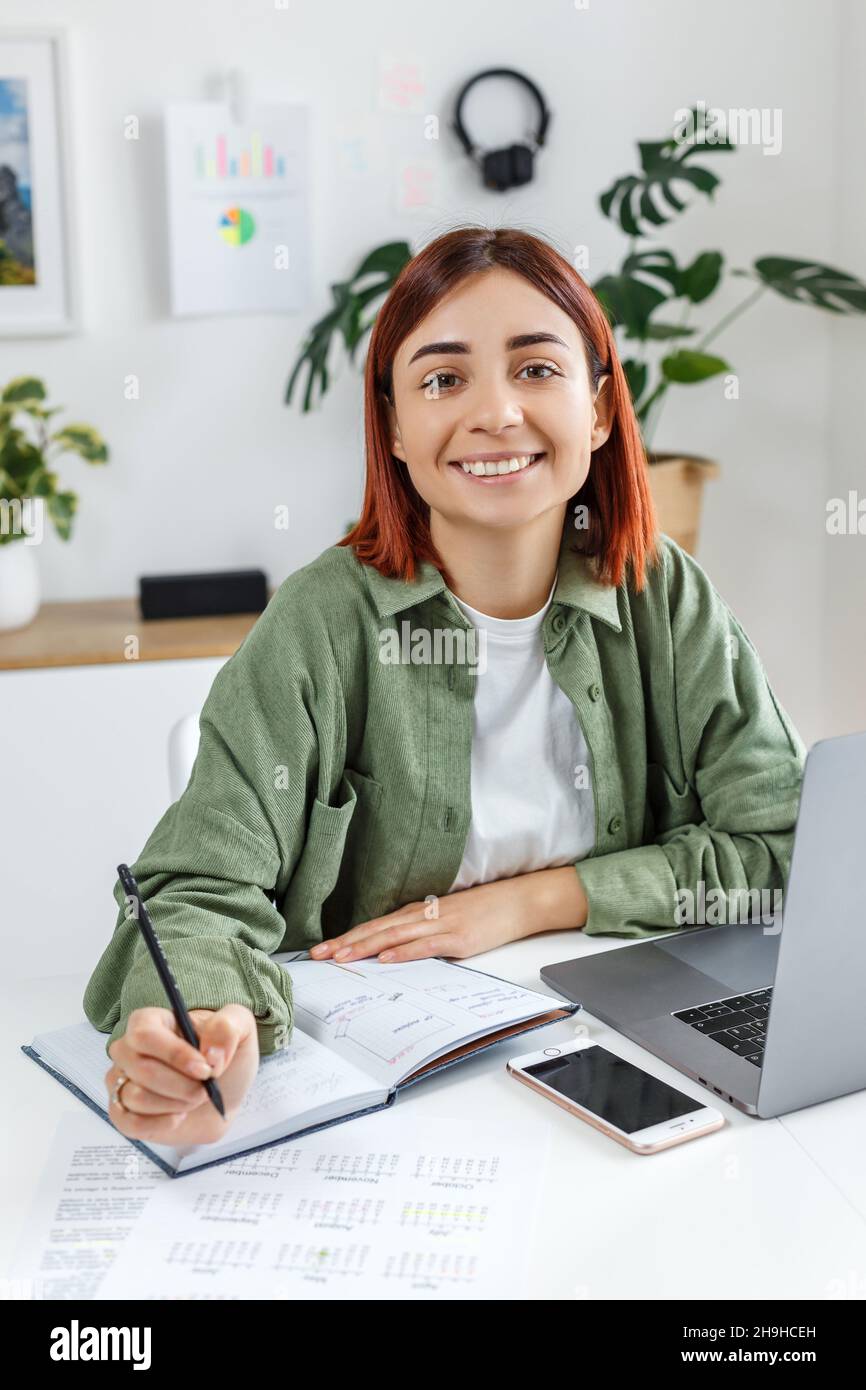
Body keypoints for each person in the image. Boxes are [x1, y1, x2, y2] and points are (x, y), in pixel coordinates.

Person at [83, 225, 806, 1147]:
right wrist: (188, 1025)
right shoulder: (318, 624)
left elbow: (781, 850)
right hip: (402, 1090)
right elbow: (192, 893)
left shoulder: (665, 595)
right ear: (393, 425)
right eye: (443, 378)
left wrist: (533, 901)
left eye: (537, 369)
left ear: (597, 408)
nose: (497, 413)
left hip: (620, 1047)